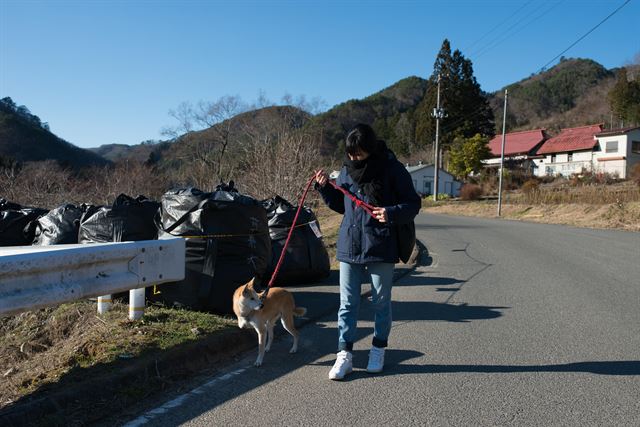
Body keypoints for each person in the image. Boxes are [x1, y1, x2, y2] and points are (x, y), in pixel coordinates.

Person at [314, 123, 420, 380]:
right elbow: (343, 205)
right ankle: (344, 354)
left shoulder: (392, 169)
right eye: (350, 154)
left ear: (371, 150)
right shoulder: (346, 172)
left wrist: (392, 213)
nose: (353, 158)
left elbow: (413, 203)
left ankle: (378, 348)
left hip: (381, 244)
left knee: (380, 302)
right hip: (350, 244)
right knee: (347, 304)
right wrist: (326, 188)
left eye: (358, 153)